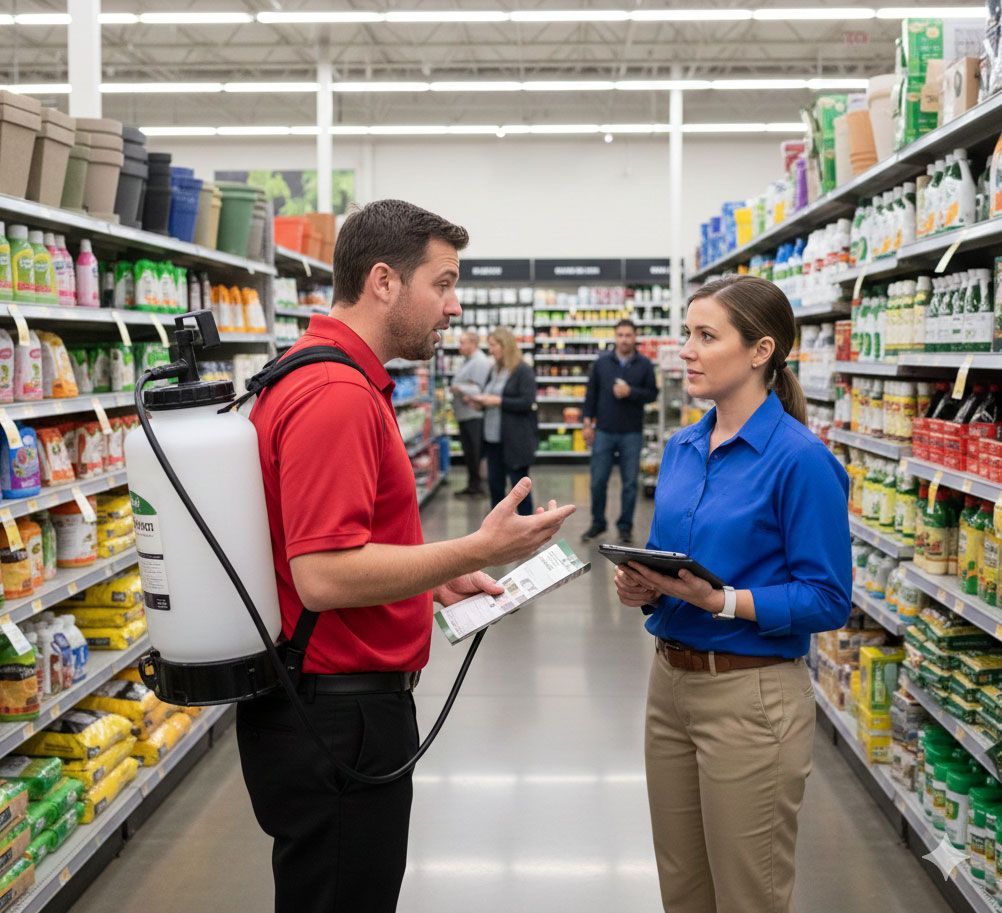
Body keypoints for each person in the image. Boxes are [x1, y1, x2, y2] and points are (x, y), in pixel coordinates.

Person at [238, 199, 575, 913]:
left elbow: (323, 546)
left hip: (327, 698)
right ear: (384, 281)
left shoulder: (318, 372)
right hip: (341, 713)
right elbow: (324, 574)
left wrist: (430, 584)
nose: (453, 308)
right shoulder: (335, 393)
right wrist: (475, 548)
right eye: (443, 284)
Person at [614, 275, 851, 913]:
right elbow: (676, 574)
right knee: (682, 888)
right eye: (686, 333)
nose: (685, 350)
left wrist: (721, 601)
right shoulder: (684, 447)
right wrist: (646, 588)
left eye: (705, 336)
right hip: (669, 689)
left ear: (760, 350)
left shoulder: (801, 460)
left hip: (753, 699)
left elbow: (828, 599)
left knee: (749, 895)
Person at [581, 319, 657, 544]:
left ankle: (625, 526)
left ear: (635, 338)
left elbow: (652, 394)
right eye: (620, 335)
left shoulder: (645, 364)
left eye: (628, 335)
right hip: (603, 430)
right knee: (597, 480)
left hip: (631, 432)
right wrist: (587, 424)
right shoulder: (601, 363)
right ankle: (597, 523)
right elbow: (590, 395)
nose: (624, 339)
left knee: (630, 484)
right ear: (615, 337)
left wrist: (630, 392)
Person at [467, 326, 538, 516]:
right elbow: (491, 396)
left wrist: (497, 401)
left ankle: (526, 531)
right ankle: (498, 533)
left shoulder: (522, 370)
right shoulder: (495, 370)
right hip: (493, 440)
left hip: (515, 440)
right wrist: (480, 403)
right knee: (495, 487)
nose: (490, 350)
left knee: (519, 489)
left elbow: (527, 401)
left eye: (493, 345)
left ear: (505, 345)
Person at [449, 329, 492, 496]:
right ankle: (473, 484)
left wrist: (459, 388)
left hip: (473, 415)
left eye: (462, 342)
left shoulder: (479, 361)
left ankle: (477, 486)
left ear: (473, 343)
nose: (459, 346)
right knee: (470, 453)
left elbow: (478, 389)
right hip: (465, 414)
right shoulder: (469, 360)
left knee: (475, 452)